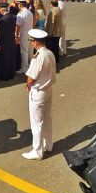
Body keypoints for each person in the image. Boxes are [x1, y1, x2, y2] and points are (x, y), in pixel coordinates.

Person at [22, 29, 56, 160]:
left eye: (31, 41)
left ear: (36, 42)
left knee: (36, 122)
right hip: (48, 90)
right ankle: (48, 145)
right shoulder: (50, 53)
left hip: (38, 92)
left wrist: (28, 85)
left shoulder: (39, 57)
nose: (31, 43)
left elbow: (31, 77)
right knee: (47, 118)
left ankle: (37, 150)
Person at [15, 0, 33, 73]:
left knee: (24, 51)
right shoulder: (29, 12)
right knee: (30, 50)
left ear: (20, 5)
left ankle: (24, 68)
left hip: (24, 33)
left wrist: (16, 35)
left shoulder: (20, 13)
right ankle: (31, 65)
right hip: (30, 32)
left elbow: (18, 26)